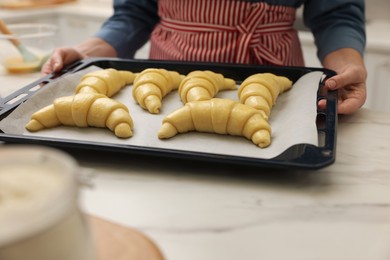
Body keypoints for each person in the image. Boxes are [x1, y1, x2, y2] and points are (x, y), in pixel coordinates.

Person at [42, 0, 367, 115]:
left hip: (274, 85)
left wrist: (346, 67)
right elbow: (132, 15)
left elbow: (335, 16)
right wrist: (85, 53)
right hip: (167, 90)